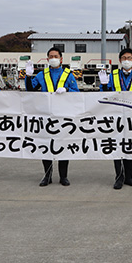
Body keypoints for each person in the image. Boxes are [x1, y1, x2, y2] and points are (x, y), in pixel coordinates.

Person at [25, 47, 79, 186]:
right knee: (46, 146)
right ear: (47, 59)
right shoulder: (42, 74)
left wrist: (67, 89)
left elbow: (77, 93)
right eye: (50, 56)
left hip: (63, 116)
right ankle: (47, 176)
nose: (53, 58)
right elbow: (31, 90)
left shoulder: (68, 74)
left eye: (56, 56)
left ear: (61, 59)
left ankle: (63, 177)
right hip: (46, 115)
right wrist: (29, 77)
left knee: (63, 147)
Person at [98, 48, 132, 189]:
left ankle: (129, 177)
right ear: (120, 60)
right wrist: (103, 85)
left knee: (130, 146)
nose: (127, 61)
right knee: (117, 146)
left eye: (129, 58)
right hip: (116, 116)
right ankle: (119, 177)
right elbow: (104, 95)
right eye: (124, 58)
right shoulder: (113, 75)